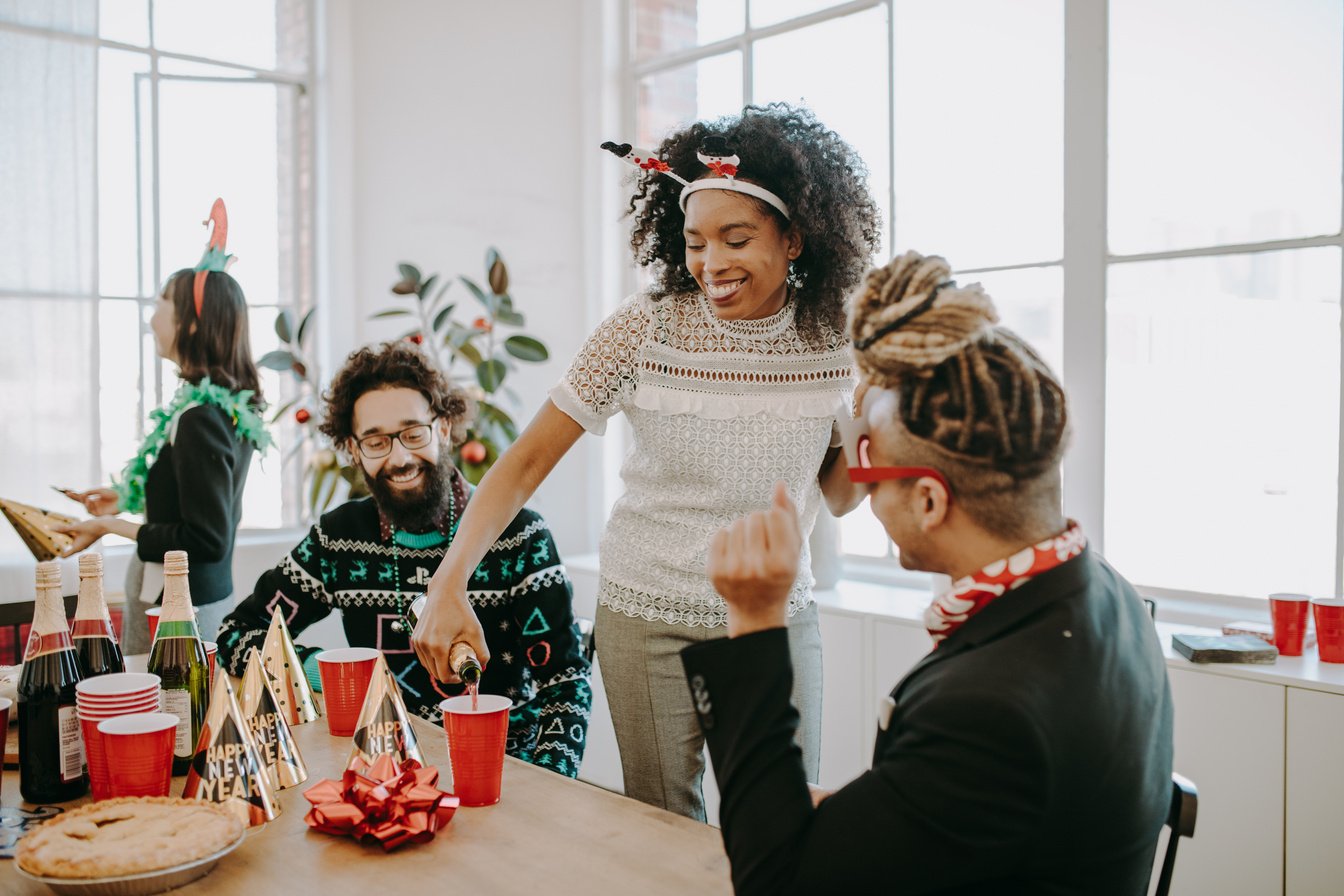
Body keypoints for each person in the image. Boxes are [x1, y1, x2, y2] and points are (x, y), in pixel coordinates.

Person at [412, 103, 881, 819]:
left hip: (777, 615)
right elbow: (527, 461)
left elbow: (840, 499)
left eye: (736, 238)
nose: (712, 264)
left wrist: (878, 416)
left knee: (781, 819)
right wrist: (449, 583)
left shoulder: (836, 338)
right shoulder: (644, 328)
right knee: (663, 827)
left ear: (793, 237)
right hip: (645, 613)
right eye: (696, 242)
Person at [681, 251, 1175, 894]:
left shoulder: (986, 712)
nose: (860, 488)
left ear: (930, 500)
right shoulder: (1104, 592)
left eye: (869, 465)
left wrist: (753, 621)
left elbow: (781, 884)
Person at [215, 341, 591, 776]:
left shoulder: (522, 535)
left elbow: (566, 681)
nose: (400, 458)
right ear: (353, 450)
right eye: (375, 442)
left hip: (507, 764)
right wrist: (331, 672)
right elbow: (238, 633)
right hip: (384, 769)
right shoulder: (338, 538)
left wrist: (548, 780)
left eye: (414, 434)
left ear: (445, 429)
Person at [58, 200, 269, 650]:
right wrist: (125, 497)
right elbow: (197, 497)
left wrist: (109, 526)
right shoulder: (223, 409)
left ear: (191, 326)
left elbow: (205, 539)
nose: (151, 317)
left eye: (160, 303)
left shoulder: (199, 419)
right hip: (181, 597)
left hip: (180, 610)